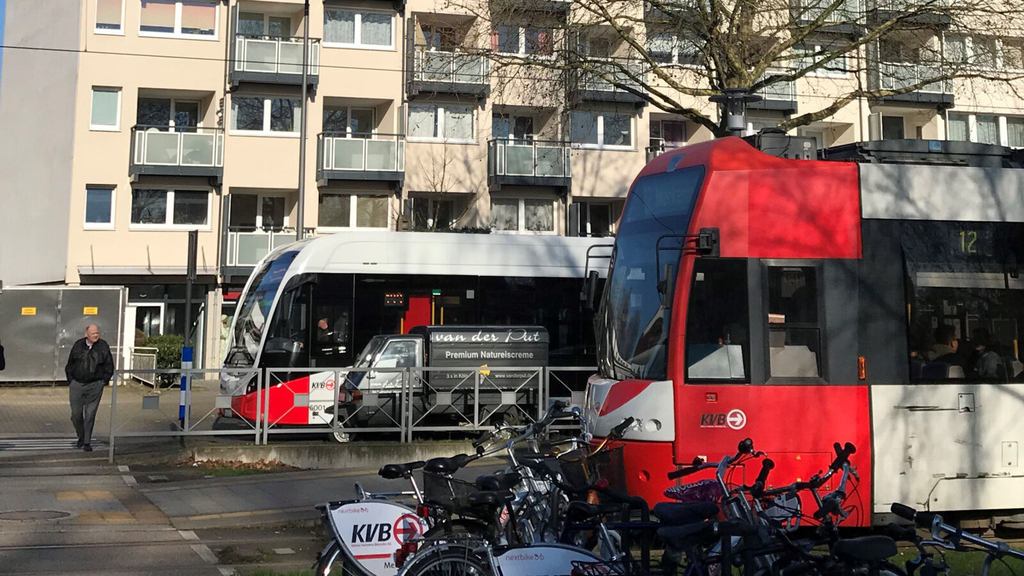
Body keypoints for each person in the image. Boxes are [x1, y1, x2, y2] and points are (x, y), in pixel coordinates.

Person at [65, 324, 114, 451]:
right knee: (76, 414)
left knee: (90, 414)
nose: (95, 335)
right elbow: (70, 364)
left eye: (97, 333)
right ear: (86, 334)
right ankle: (81, 436)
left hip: (95, 385)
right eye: (93, 333)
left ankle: (87, 442)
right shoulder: (78, 345)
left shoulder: (103, 346)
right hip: (77, 384)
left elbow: (109, 365)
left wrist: (103, 381)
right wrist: (71, 380)